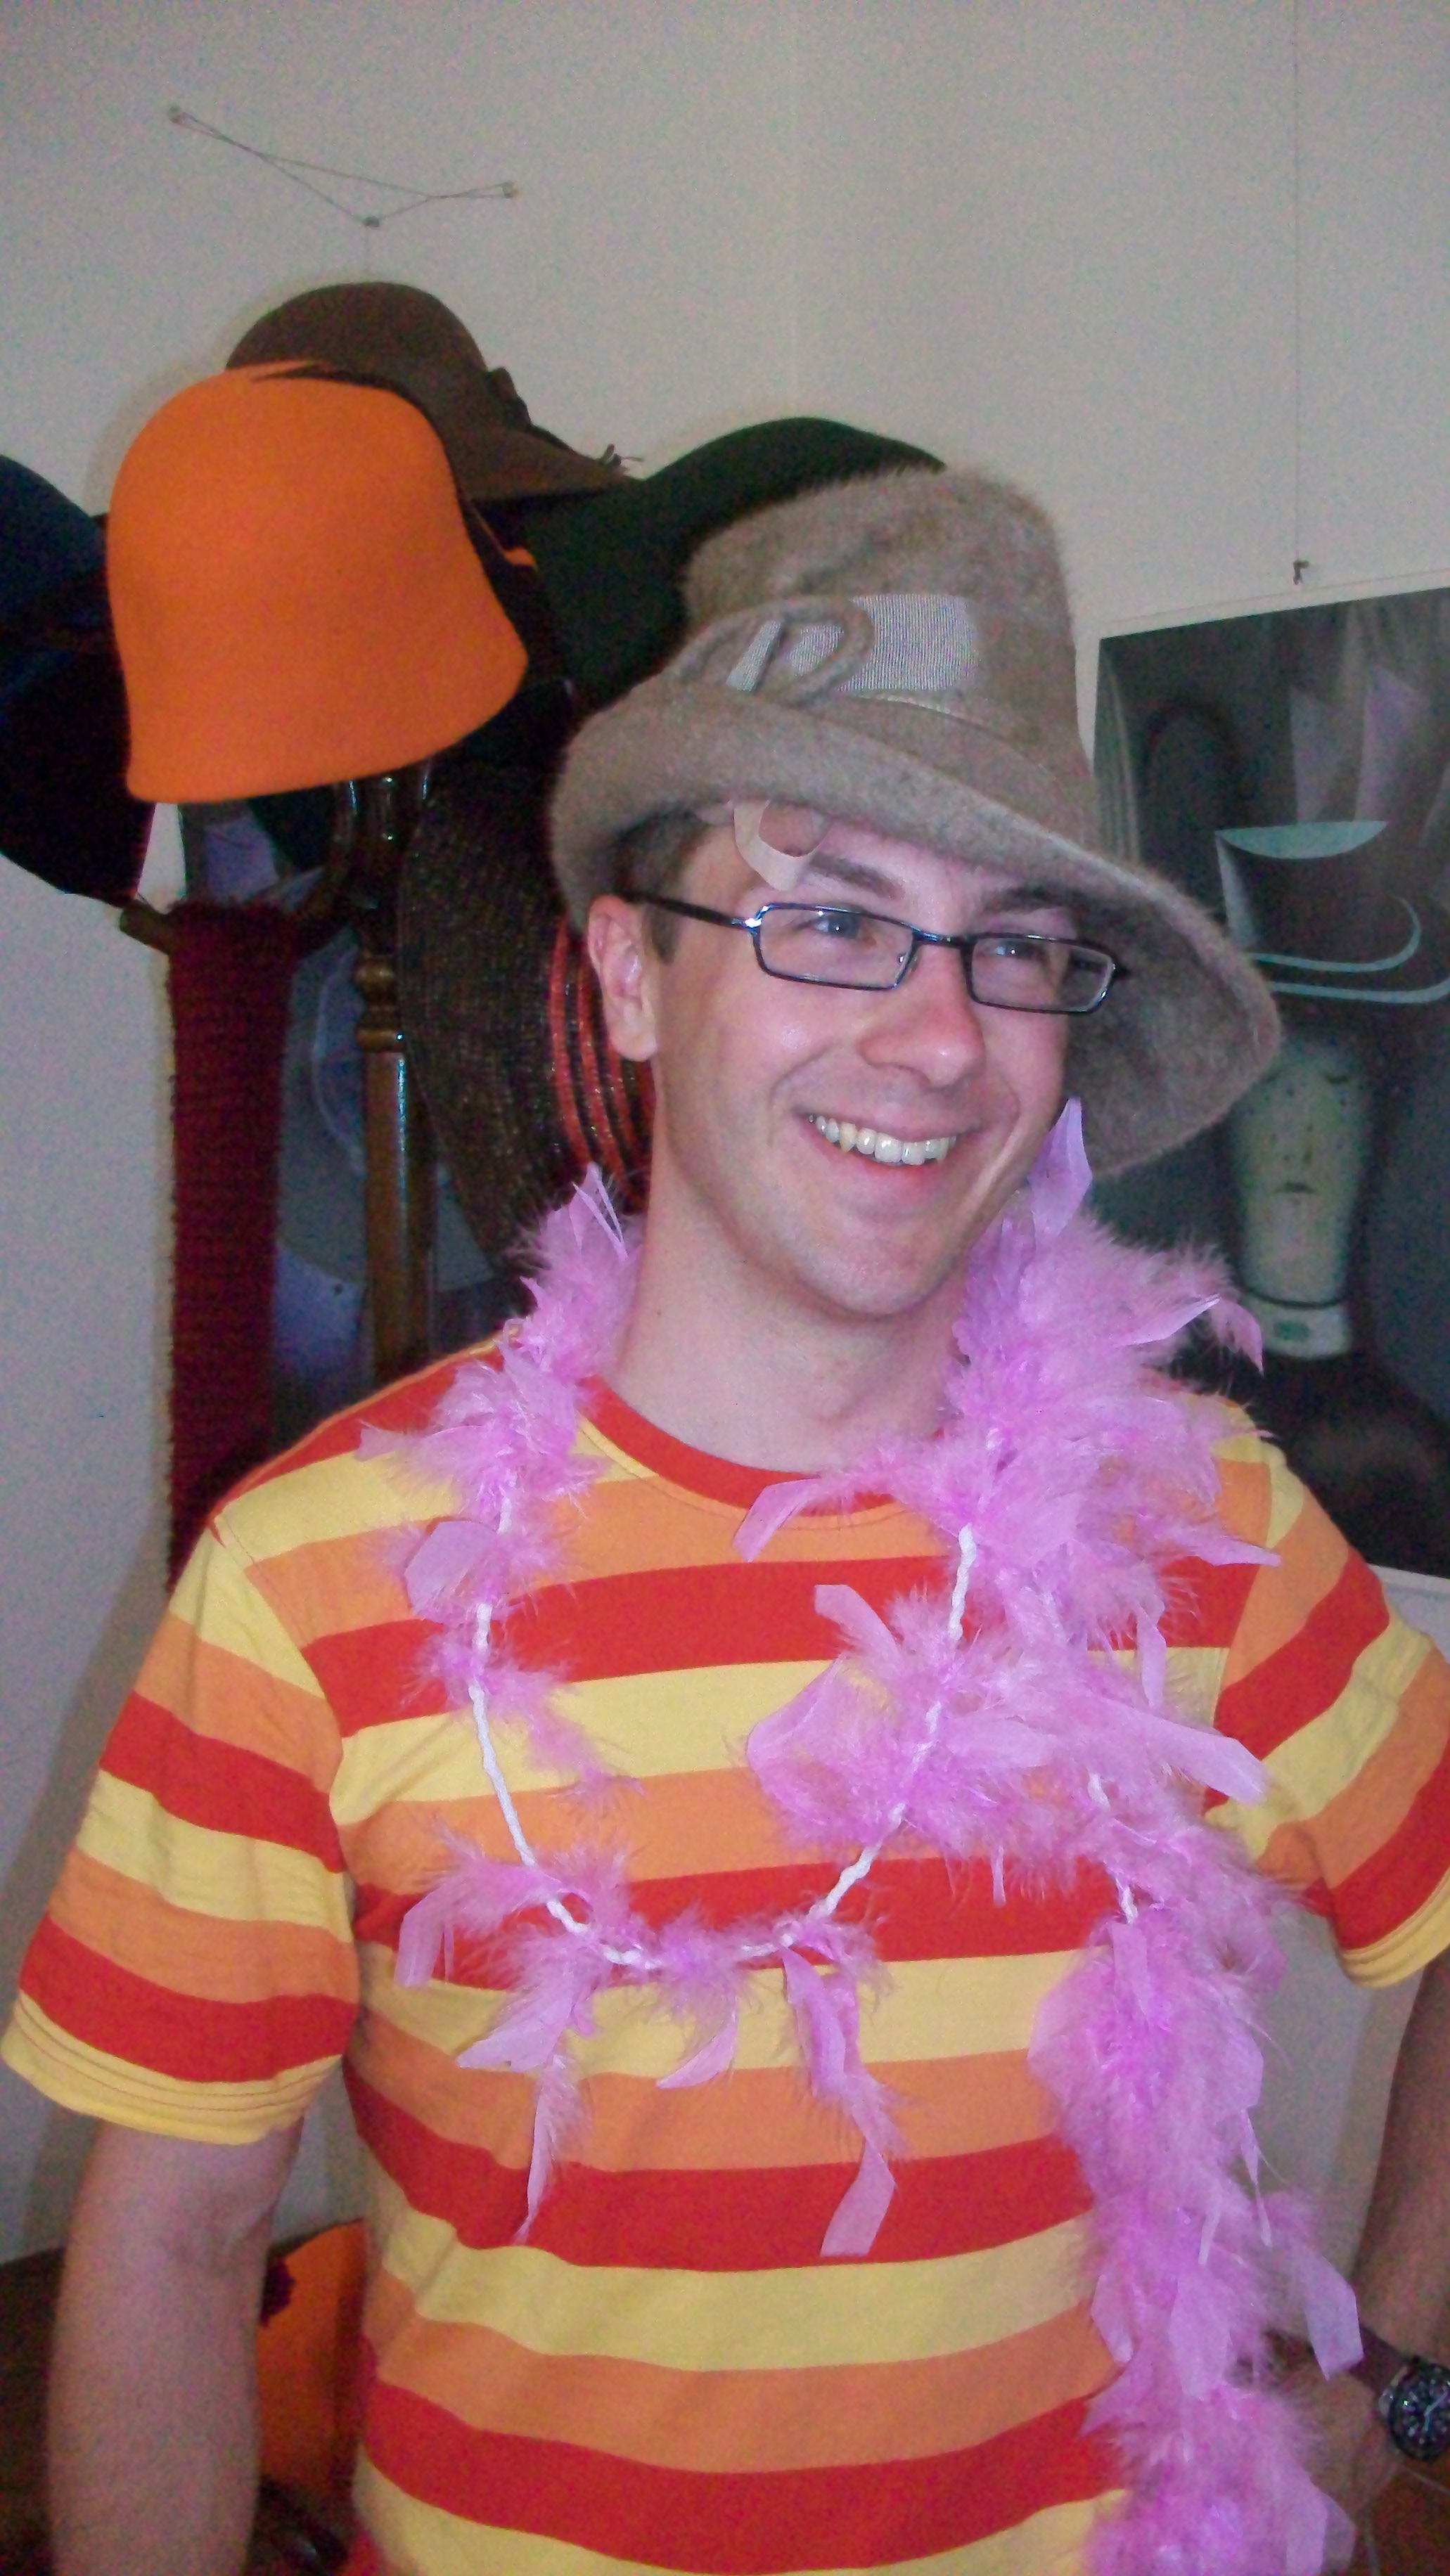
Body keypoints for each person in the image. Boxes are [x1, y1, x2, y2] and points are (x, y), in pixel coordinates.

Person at [6, 467, 1450, 2576]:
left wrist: (1397, 2385)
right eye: (831, 917)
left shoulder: (1199, 1525)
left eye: (1013, 947)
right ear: (628, 975)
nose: (937, 1037)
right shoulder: (312, 1577)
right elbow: (172, 2242)